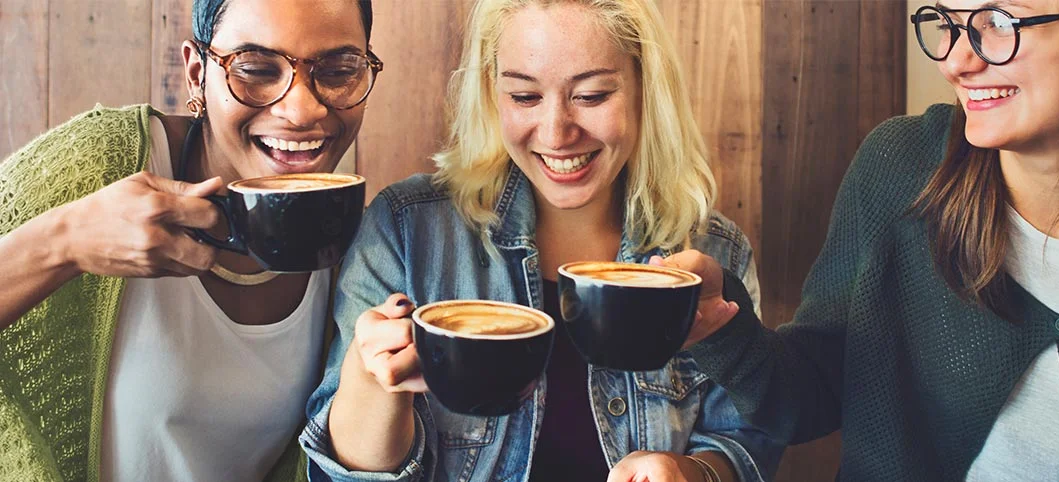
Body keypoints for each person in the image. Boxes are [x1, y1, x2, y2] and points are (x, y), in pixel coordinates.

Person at [672, 0, 1059, 480]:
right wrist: (722, 330)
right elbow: (813, 392)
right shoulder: (899, 168)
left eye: (999, 23)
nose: (955, 63)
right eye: (947, 23)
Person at [299, 0, 782, 481]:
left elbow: (745, 442)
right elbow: (338, 476)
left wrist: (687, 472)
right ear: (492, 94)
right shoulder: (405, 229)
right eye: (525, 98)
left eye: (592, 96)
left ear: (644, 90)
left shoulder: (713, 251)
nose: (557, 133)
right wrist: (372, 379)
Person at [0, 0, 381, 480]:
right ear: (197, 74)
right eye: (257, 69)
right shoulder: (105, 162)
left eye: (339, 70)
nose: (302, 109)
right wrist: (66, 241)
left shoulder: (356, 244)